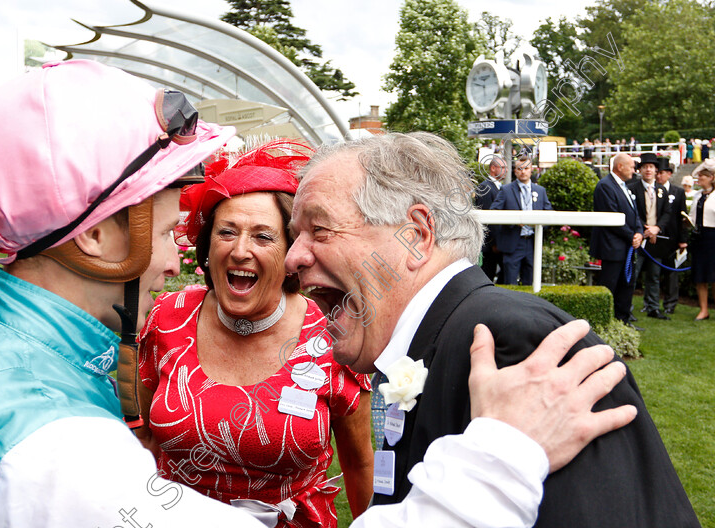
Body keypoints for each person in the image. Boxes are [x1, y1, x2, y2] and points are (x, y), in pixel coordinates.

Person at [0, 60, 637, 528]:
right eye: (174, 223)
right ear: (97, 237)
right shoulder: (61, 451)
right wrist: (503, 456)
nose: (185, 252)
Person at [284, 133, 697, 527]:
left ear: (416, 235)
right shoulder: (445, 337)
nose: (293, 257)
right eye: (295, 235)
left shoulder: (513, 344)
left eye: (319, 230)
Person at [136, 142, 373, 528]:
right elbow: (144, 438)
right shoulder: (168, 318)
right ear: (207, 245)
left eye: (263, 237)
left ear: (292, 252)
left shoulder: (331, 333)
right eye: (227, 232)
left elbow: (360, 463)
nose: (241, 251)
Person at [591, 153, 644, 328]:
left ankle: (623, 323)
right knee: (609, 287)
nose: (634, 170)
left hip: (627, 247)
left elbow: (634, 214)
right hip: (612, 249)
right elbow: (611, 218)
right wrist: (632, 236)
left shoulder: (624, 186)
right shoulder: (605, 186)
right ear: (620, 167)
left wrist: (639, 233)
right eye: (631, 166)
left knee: (626, 287)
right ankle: (603, 324)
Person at [491, 155, 553, 285]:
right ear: (515, 171)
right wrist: (513, 221)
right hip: (513, 243)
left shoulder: (540, 191)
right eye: (520, 168)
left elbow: (550, 215)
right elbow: (493, 213)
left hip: (532, 243)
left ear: (532, 170)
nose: (523, 171)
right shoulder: (506, 190)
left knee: (530, 283)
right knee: (510, 284)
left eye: (526, 168)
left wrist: (538, 224)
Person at [626, 153, 671, 320]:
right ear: (640, 170)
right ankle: (627, 309)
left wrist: (657, 229)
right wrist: (644, 229)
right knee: (633, 275)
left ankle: (653, 307)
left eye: (651, 167)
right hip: (638, 238)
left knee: (654, 275)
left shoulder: (661, 190)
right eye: (645, 167)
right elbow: (631, 211)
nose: (648, 170)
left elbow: (667, 213)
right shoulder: (632, 188)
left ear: (656, 170)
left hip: (655, 238)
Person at [657, 159, 688, 315]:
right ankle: (652, 303)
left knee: (671, 273)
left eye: (661, 173)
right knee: (654, 272)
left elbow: (683, 217)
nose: (658, 176)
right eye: (657, 173)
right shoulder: (653, 189)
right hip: (656, 237)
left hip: (673, 238)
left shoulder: (678, 192)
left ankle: (670, 303)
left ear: (669, 174)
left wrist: (683, 240)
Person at [689, 159, 715, 321]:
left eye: (702, 176)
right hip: (698, 238)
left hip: (713, 238)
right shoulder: (697, 195)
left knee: (714, 276)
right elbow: (693, 216)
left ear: (711, 177)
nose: (699, 179)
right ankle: (703, 309)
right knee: (700, 276)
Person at [474, 155, 504, 282]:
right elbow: (486, 218)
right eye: (502, 167)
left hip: (498, 243)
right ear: (493, 168)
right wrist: (493, 242)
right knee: (488, 276)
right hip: (490, 246)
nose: (506, 170)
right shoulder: (485, 187)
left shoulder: (499, 187)